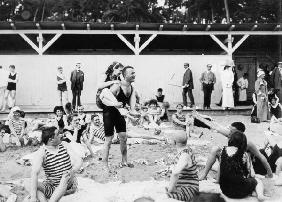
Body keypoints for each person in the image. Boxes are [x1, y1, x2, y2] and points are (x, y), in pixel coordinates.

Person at [192, 112, 273, 180]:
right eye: (229, 130)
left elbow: (261, 156)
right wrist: (199, 117)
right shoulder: (231, 135)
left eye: (231, 130)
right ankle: (204, 174)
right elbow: (214, 126)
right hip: (231, 162)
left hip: (243, 166)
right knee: (215, 150)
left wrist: (270, 174)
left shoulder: (248, 143)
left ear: (239, 132)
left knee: (219, 162)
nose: (229, 132)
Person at [28, 127, 82, 202]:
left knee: (64, 178)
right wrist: (33, 197)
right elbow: (34, 173)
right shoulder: (42, 152)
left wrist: (72, 171)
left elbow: (79, 160)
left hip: (68, 185)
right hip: (51, 187)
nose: (61, 135)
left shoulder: (64, 145)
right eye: (58, 134)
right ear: (51, 140)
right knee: (28, 182)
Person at [102, 66, 137, 172]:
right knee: (109, 140)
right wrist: (114, 103)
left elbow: (132, 107)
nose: (134, 74)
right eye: (132, 73)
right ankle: (105, 164)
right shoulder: (117, 86)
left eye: (134, 72)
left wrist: (134, 114)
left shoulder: (132, 88)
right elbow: (103, 99)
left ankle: (124, 161)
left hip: (119, 114)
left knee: (123, 137)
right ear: (125, 75)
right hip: (109, 113)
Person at [219, 131, 268, 200]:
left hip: (225, 190)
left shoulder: (223, 151)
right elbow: (251, 175)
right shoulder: (244, 154)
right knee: (257, 181)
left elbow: (220, 169)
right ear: (243, 143)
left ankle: (252, 191)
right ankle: (260, 195)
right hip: (240, 191)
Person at [166, 131, 199, 201]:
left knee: (163, 195)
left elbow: (175, 173)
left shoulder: (185, 155)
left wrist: (171, 190)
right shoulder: (187, 150)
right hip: (184, 185)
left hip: (189, 189)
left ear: (174, 142)